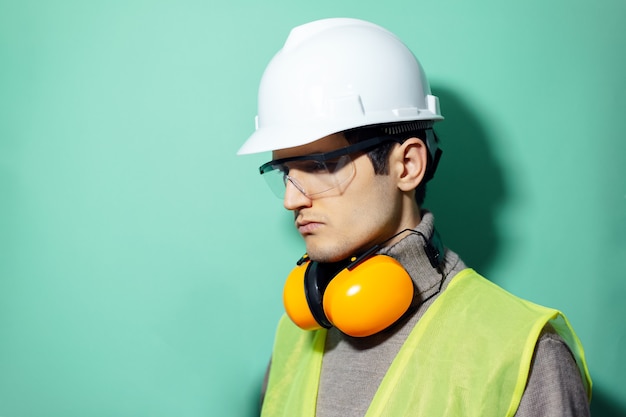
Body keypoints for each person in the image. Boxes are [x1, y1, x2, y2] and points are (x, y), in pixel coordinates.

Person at [238, 18, 592, 417]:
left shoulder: (524, 354)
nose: (290, 200)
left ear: (407, 165)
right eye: (285, 172)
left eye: (322, 166)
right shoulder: (296, 334)